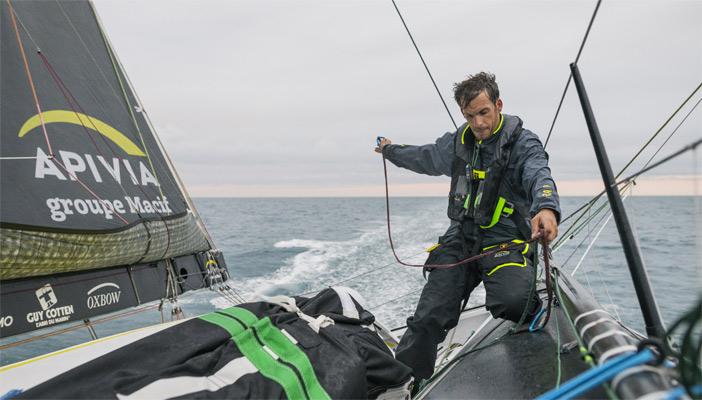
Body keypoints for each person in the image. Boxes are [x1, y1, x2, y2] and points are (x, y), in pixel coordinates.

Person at [374, 72, 560, 388]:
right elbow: (424, 157)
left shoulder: (522, 143)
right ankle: (403, 386)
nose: (478, 123)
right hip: (460, 239)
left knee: (513, 302)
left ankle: (533, 333)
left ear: (498, 105)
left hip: (504, 239)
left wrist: (546, 207)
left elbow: (538, 173)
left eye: (484, 112)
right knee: (428, 316)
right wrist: (391, 150)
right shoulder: (458, 143)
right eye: (470, 116)